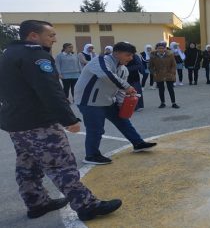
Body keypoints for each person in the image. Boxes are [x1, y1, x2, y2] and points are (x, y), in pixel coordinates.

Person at [0, 20, 121, 221]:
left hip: (16, 123)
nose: (55, 39)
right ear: (33, 36)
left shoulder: (7, 55)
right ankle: (86, 205)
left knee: (27, 165)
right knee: (61, 165)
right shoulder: (35, 55)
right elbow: (50, 90)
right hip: (39, 123)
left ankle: (37, 203)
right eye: (51, 35)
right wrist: (68, 119)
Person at [75, 42, 157, 165]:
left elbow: (118, 90)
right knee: (95, 129)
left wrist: (121, 104)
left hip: (107, 100)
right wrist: (127, 87)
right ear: (116, 53)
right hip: (89, 102)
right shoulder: (101, 60)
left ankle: (138, 143)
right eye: (128, 55)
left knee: (123, 121)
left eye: (132, 55)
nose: (131, 58)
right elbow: (106, 75)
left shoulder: (123, 69)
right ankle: (91, 155)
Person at [149, 42, 181, 108]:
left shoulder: (170, 55)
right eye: (159, 48)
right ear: (156, 49)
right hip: (159, 74)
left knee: (170, 89)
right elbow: (150, 66)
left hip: (169, 73)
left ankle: (173, 103)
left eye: (162, 48)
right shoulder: (153, 56)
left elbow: (174, 64)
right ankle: (162, 103)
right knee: (161, 89)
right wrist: (154, 72)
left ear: (165, 49)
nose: (160, 49)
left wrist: (172, 72)